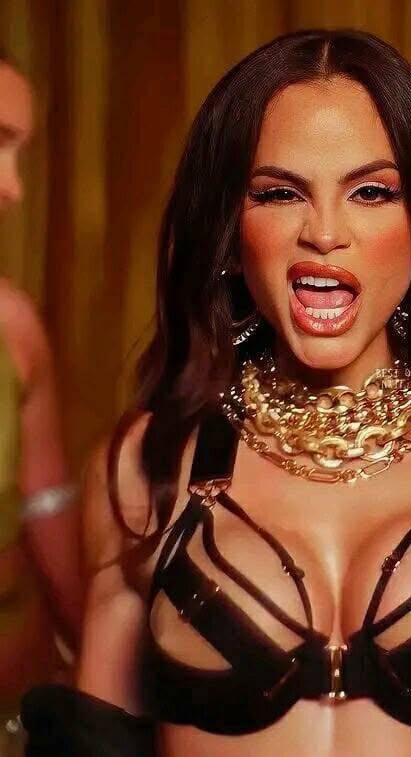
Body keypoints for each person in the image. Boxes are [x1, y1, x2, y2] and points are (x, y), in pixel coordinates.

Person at [21, 29, 411, 756]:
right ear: (229, 233)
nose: (324, 232)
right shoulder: (144, 468)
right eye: (279, 193)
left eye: (371, 192)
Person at [0, 51, 84, 755]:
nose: (13, 188)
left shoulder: (13, 326)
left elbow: (46, 505)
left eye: (19, 154)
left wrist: (95, 662)